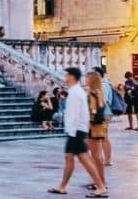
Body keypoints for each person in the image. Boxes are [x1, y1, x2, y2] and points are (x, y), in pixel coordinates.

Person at [48, 66, 108, 197]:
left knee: (85, 159)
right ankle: (62, 186)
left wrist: (73, 132)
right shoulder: (78, 91)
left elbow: (76, 115)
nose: (65, 78)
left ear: (72, 77)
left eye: (67, 75)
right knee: (69, 158)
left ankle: (101, 186)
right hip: (76, 131)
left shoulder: (76, 93)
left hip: (76, 131)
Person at [84, 71, 109, 192]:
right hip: (98, 128)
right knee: (97, 156)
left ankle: (100, 183)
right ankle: (99, 181)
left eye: (87, 78)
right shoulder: (99, 92)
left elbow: (93, 112)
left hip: (92, 128)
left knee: (95, 157)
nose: (85, 79)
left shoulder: (92, 94)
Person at [95, 67, 115, 168]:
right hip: (107, 111)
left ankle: (106, 159)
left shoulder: (101, 86)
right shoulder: (107, 85)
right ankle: (105, 159)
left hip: (102, 112)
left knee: (103, 137)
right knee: (103, 136)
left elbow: (100, 101)